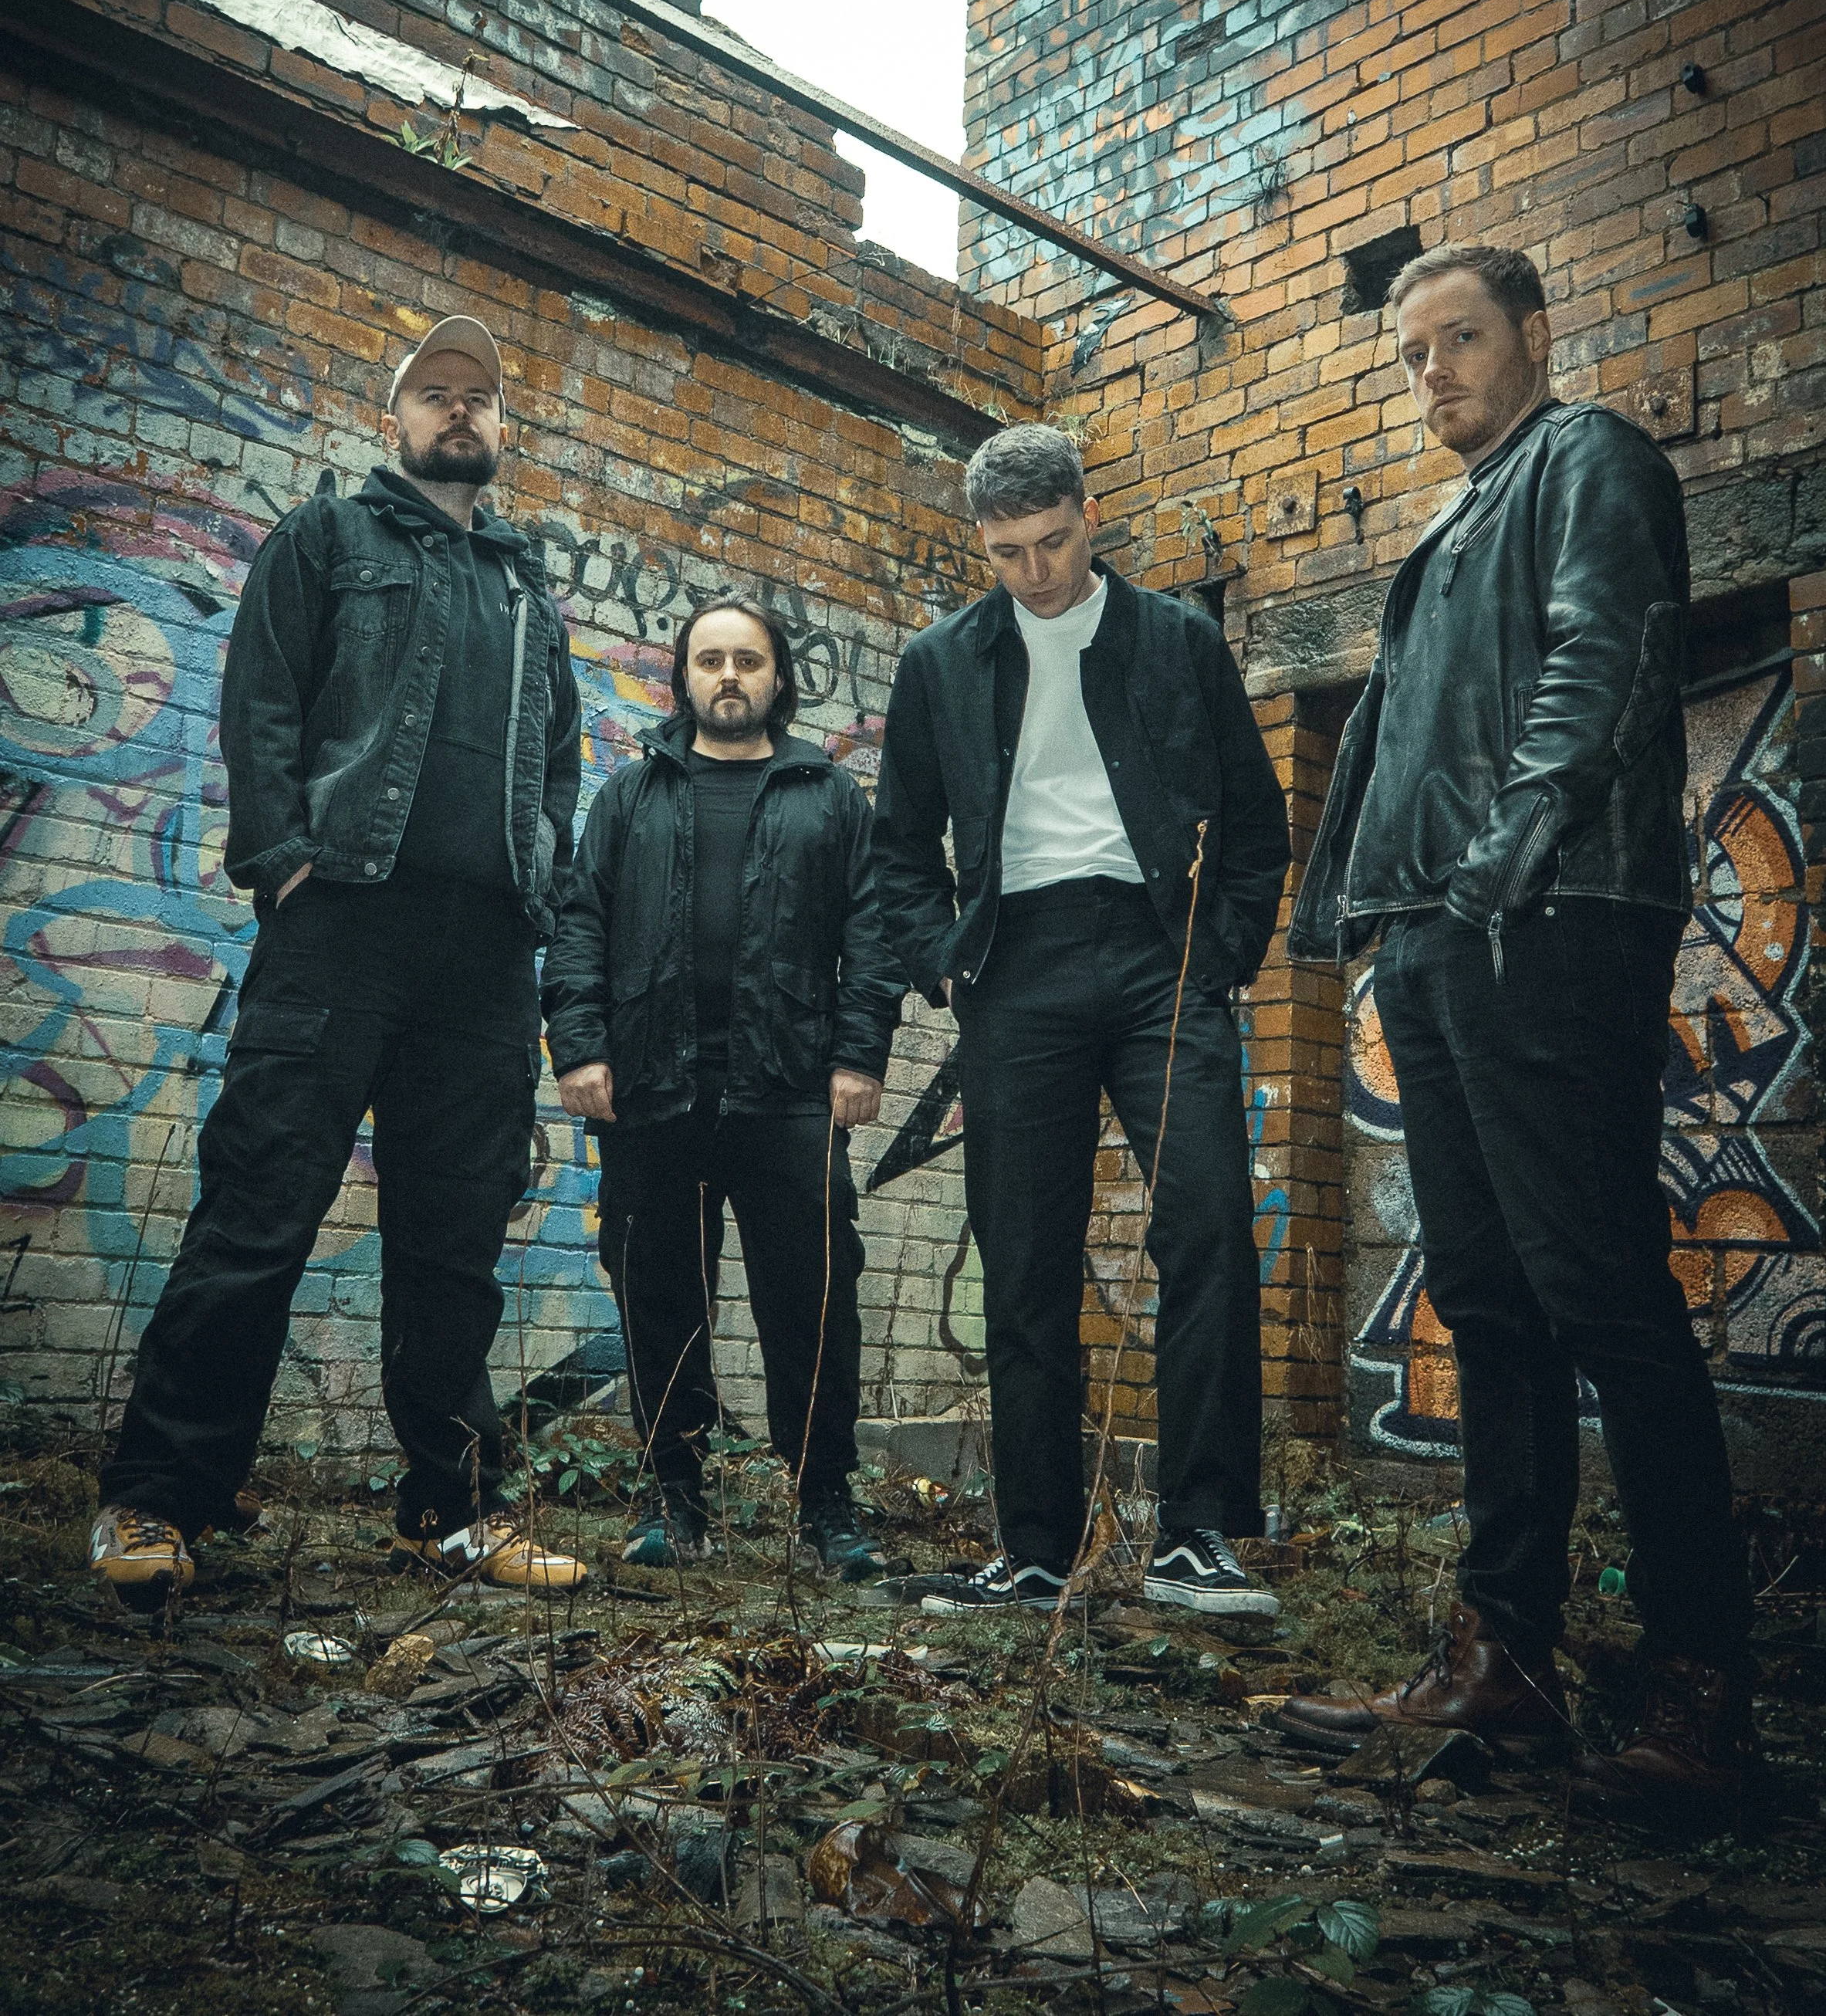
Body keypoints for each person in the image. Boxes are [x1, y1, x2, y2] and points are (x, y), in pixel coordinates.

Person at [1278, 243, 1757, 1809]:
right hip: (1433, 936)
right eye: (1412, 352)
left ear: (1534, 334)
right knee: (1484, 1300)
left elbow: (1602, 660)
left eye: (1460, 338)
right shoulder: (1448, 522)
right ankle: (1507, 1660)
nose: (1434, 371)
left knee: (1601, 1285)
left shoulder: (1589, 459)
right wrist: (1355, 913)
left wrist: (1506, 855)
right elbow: (1395, 740)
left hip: (1546, 918)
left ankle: (1698, 1678)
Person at [90, 315, 587, 1603]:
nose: (461, 413)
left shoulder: (529, 588)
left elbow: (558, 761)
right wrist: (285, 860)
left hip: (482, 953)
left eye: (482, 396)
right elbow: (260, 701)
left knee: (455, 1241)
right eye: (437, 394)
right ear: (394, 419)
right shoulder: (325, 539)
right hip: (343, 924)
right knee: (258, 1209)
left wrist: (538, 882)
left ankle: (451, 1505)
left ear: (504, 427)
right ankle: (160, 1495)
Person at [871, 423, 1290, 1615]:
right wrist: (938, 961)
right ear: (982, 543)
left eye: (1051, 543)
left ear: (1088, 515)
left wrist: (1216, 960)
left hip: (1161, 957)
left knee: (1207, 1221)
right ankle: (1037, 1546)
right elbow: (897, 845)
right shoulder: (939, 662)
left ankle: (1198, 1535)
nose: (1033, 572)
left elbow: (1256, 829)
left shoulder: (1178, 642)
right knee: (1024, 1255)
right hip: (1018, 964)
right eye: (1006, 552)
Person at [541, 596, 905, 1577]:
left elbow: (870, 936)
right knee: (660, 1295)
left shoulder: (830, 796)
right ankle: (674, 1497)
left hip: (787, 1090)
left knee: (815, 1301)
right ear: (684, 677)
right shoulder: (630, 796)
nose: (730, 676)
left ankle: (824, 1501)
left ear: (779, 678)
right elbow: (579, 922)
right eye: (710, 660)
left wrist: (858, 1055)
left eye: (748, 660)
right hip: (651, 1087)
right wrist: (578, 1047)